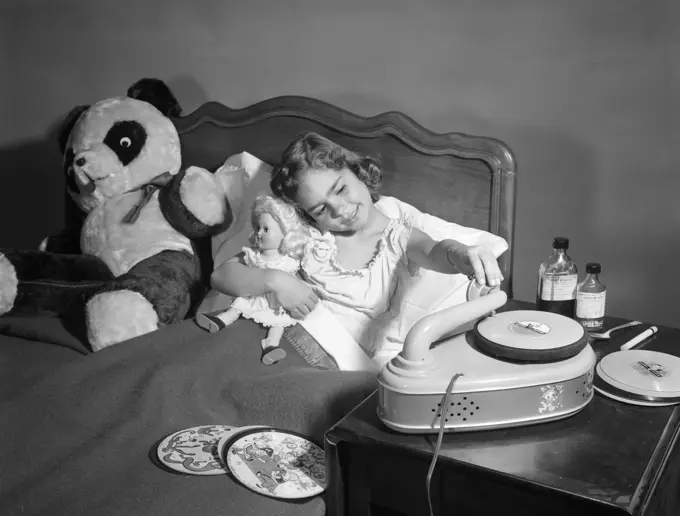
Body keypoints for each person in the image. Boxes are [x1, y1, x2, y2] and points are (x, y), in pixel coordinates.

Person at [211, 132, 505, 365]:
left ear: (356, 170)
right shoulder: (305, 235)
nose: (340, 210)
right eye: (320, 209)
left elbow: (434, 251)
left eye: (340, 189)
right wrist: (276, 280)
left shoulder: (396, 237)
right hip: (274, 338)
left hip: (328, 361)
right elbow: (222, 276)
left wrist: (463, 253)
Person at [196, 195, 309, 365]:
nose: (259, 233)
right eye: (258, 228)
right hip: (254, 293)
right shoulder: (252, 254)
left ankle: (271, 345)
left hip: (276, 301)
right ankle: (221, 320)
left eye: (266, 229)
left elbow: (299, 279)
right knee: (238, 305)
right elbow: (227, 274)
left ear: (285, 234)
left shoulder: (289, 260)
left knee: (278, 323)